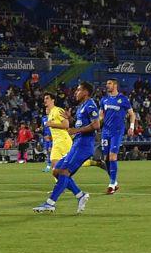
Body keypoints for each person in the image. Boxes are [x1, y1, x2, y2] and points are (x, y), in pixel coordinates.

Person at [33, 81, 97, 214]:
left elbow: (96, 125)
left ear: (85, 92)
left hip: (84, 145)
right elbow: (79, 123)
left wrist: (76, 130)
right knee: (56, 171)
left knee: (63, 172)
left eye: (78, 90)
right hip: (77, 144)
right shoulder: (82, 106)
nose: (76, 92)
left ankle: (50, 203)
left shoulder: (91, 105)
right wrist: (71, 119)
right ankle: (80, 195)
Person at [95, 78, 136, 194]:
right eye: (106, 83)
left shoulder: (123, 99)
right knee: (106, 158)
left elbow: (132, 115)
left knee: (113, 156)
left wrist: (131, 127)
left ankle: (111, 185)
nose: (107, 85)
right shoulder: (104, 100)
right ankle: (115, 182)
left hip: (117, 132)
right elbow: (101, 116)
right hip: (105, 132)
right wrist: (93, 124)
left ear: (115, 85)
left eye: (109, 83)